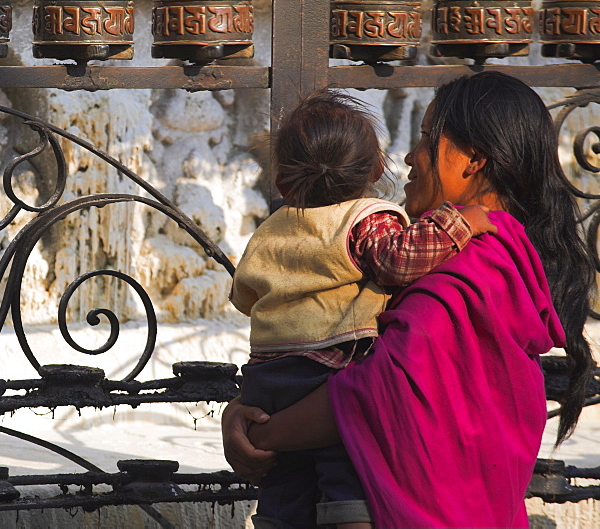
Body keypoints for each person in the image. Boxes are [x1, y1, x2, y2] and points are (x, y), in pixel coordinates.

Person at [222, 72, 596, 528]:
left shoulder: (469, 264)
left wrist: (261, 430)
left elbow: (379, 388)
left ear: (473, 159)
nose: (409, 157)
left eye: (425, 139)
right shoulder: (469, 253)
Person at [230, 89, 495, 529]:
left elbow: (245, 296)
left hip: (268, 380)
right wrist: (458, 221)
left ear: (282, 185)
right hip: (329, 368)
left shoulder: (271, 228)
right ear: (375, 168)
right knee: (346, 467)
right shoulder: (369, 217)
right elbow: (399, 261)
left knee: (284, 484)